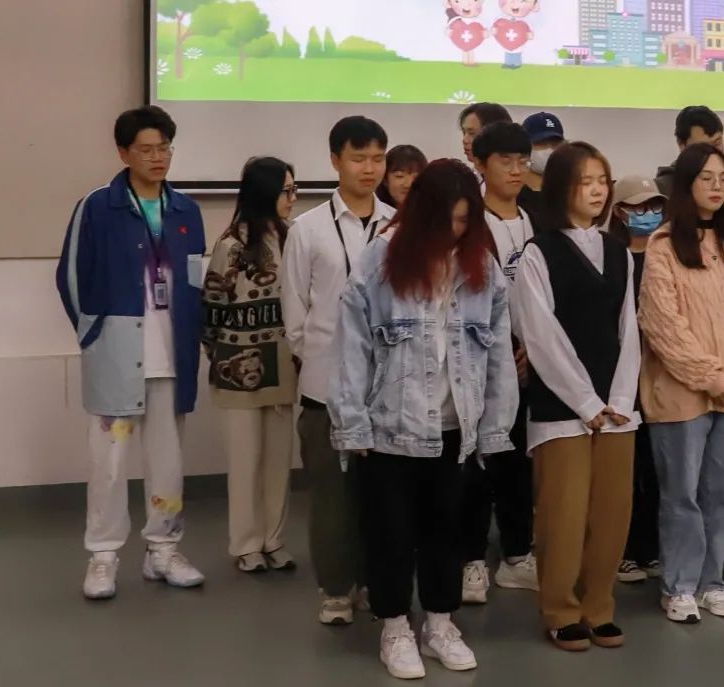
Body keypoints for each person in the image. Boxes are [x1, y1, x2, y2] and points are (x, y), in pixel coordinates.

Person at [326, 159, 519, 679]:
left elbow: (498, 354)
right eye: (445, 220)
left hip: (456, 430)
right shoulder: (381, 260)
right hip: (389, 430)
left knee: (446, 533)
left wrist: (495, 427)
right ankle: (394, 627)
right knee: (389, 534)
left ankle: (439, 623)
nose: (454, 231)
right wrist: (352, 423)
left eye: (464, 221)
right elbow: (351, 346)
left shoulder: (483, 270)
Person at [57, 105, 207, 600]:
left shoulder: (186, 211)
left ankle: (163, 548)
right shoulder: (98, 207)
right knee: (109, 462)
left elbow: (194, 281)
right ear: (123, 153)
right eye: (147, 149)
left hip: (171, 356)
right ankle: (103, 555)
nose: (158, 157)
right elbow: (71, 277)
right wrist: (92, 335)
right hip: (116, 355)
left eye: (165, 148)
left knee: (168, 461)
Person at [513, 142, 640, 651]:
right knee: (563, 515)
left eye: (602, 180)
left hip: (617, 409)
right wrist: (587, 403)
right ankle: (561, 609)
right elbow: (541, 336)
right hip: (563, 410)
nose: (597, 190)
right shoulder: (538, 253)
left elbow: (629, 329)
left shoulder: (617, 251)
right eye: (585, 181)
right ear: (561, 187)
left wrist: (621, 400)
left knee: (611, 514)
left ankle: (598, 606)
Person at [639, 143, 724, 622]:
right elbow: (663, 325)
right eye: (706, 178)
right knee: (682, 495)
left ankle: (713, 582)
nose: (717, 187)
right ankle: (679, 586)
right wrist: (712, 377)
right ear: (686, 184)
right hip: (681, 394)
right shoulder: (663, 246)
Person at [281, 116, 395, 624]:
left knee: (381, 494)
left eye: (378, 158)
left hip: (386, 387)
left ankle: (372, 581)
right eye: (358, 158)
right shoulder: (307, 229)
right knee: (331, 495)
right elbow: (295, 315)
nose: (369, 169)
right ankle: (335, 589)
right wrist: (327, 358)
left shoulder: (397, 225)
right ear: (334, 161)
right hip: (324, 384)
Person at [203, 157, 299, 573]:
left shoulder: (294, 239)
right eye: (287, 191)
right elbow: (211, 308)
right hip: (237, 368)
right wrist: (220, 354)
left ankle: (273, 539)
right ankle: (246, 545)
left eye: (294, 190)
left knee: (278, 461)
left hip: (283, 365)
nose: (293, 199)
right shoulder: (231, 246)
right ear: (265, 193)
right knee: (245, 462)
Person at [461, 122, 539, 603]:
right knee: (476, 463)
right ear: (480, 164)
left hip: (531, 361)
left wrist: (534, 347)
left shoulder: (536, 219)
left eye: (522, 161)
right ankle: (472, 559)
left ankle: (517, 554)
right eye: (505, 161)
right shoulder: (471, 223)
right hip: (481, 361)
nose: (515, 170)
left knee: (517, 463)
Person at [606, 175, 667, 583]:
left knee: (656, 468)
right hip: (620, 380)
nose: (648, 214)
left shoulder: (667, 255)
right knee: (624, 471)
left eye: (655, 206)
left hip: (661, 377)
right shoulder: (610, 257)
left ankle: (649, 548)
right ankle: (621, 550)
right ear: (619, 212)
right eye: (638, 207)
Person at [655, 105, 724, 195]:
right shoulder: (662, 191)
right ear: (681, 144)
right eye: (703, 147)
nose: (712, 153)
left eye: (717, 143)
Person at [520, 111, 565, 232]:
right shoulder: (514, 195)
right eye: (541, 144)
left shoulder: (567, 195)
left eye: (555, 144)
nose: (549, 150)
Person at [492, 0, 539, 69]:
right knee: (508, 52)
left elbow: (529, 28)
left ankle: (516, 63)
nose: (516, 4)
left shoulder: (524, 20)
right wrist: (494, 29)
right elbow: (496, 24)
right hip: (506, 41)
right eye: (512, 1)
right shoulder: (502, 18)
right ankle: (508, 63)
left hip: (519, 41)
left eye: (522, 1)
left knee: (517, 52)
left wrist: (530, 34)